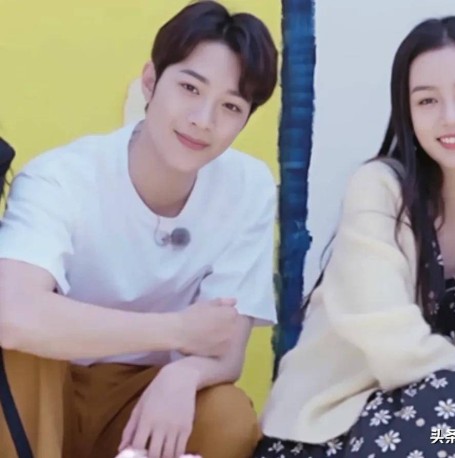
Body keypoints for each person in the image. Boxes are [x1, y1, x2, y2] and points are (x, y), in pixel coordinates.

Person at [255, 15, 455, 457]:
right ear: (408, 111)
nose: (450, 117)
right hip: (336, 428)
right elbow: (393, 346)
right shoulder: (378, 190)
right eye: (427, 101)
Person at [0, 1, 278, 457]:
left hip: (141, 399)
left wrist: (183, 373)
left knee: (228, 416)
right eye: (189, 87)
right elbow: (12, 314)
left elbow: (226, 347)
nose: (202, 119)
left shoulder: (249, 187)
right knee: (20, 353)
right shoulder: (61, 176)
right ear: (150, 81)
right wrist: (177, 331)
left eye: (230, 106)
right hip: (49, 383)